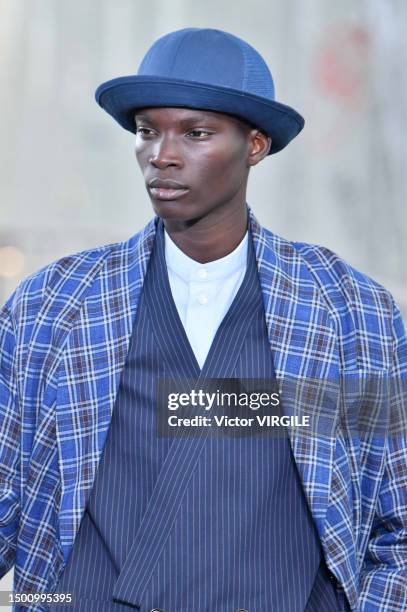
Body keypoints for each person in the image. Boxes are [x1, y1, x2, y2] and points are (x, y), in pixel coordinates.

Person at [0, 27, 406, 612]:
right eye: (146, 131)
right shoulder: (55, 303)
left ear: (256, 145)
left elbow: (398, 516)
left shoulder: (349, 310)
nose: (161, 154)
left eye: (195, 132)